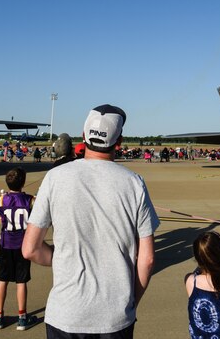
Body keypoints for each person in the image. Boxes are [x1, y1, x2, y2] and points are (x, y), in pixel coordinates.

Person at [22, 104, 160, 339]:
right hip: (114, 318)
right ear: (119, 142)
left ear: (84, 137)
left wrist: (63, 259)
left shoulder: (55, 177)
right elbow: (146, 260)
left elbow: (30, 249)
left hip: (64, 315)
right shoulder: (134, 183)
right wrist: (130, 304)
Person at [0, 167, 37, 331]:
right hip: (23, 246)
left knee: (3, 280)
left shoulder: (1, 200)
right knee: (21, 281)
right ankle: (22, 317)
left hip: (6, 245)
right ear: (23, 182)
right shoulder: (30, 200)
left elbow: (1, 221)